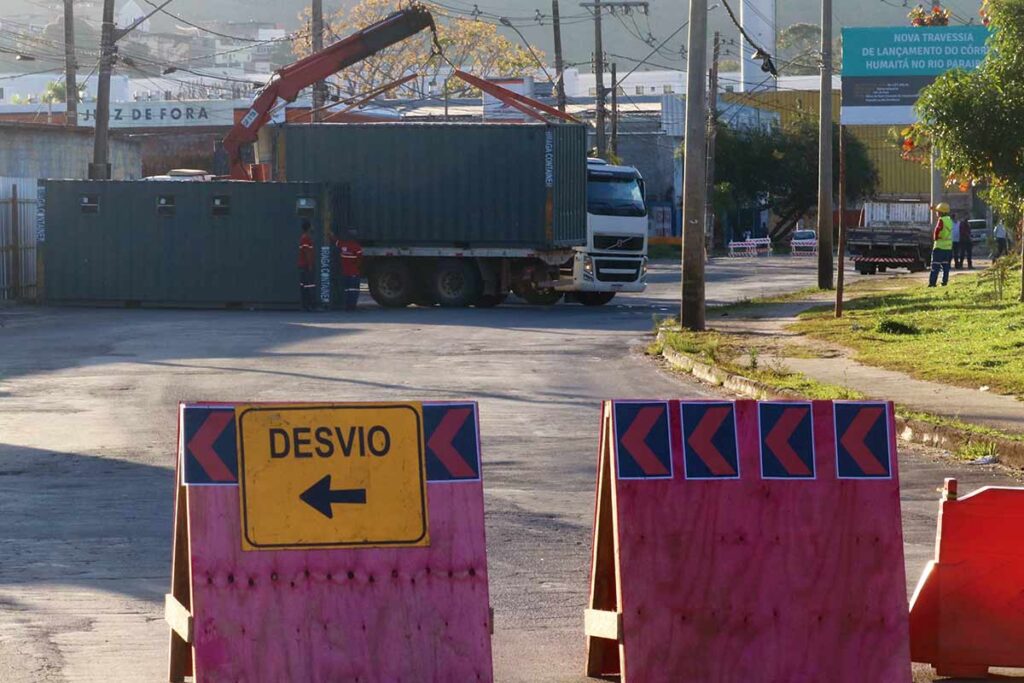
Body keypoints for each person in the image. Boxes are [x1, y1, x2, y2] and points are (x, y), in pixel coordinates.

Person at [334, 230, 363, 310]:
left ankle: (347, 305)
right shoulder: (357, 247)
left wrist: (329, 234)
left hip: (345, 272)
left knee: (346, 289)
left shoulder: (343, 245)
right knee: (354, 289)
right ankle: (352, 306)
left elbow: (335, 241)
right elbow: (360, 259)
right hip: (354, 272)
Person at [928, 203, 954, 288]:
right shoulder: (949, 220)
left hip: (939, 246)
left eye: (938, 211)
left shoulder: (941, 220)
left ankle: (932, 283)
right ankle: (944, 282)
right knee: (945, 266)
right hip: (948, 247)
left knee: (935, 265)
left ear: (941, 212)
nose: (936, 213)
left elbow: (937, 231)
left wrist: (935, 238)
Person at [298, 221, 316, 311]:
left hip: (303, 266)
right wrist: (310, 265)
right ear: (308, 228)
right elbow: (307, 252)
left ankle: (305, 305)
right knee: (309, 285)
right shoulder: (306, 239)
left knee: (304, 286)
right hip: (306, 266)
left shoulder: (304, 238)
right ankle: (309, 305)